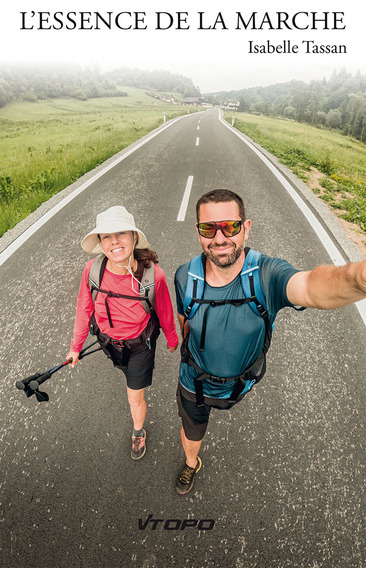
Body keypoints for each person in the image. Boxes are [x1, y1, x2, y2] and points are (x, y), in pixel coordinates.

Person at [174, 189, 366, 494]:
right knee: (191, 431)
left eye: (231, 227)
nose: (220, 238)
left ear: (246, 227)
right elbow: (186, 322)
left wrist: (358, 278)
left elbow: (311, 287)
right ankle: (190, 463)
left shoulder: (267, 275)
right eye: (209, 228)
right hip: (192, 381)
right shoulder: (185, 276)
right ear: (198, 231)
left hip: (240, 383)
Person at [67, 205, 178, 460]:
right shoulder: (92, 271)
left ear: (134, 237)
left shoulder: (153, 275)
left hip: (140, 347)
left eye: (121, 234)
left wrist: (172, 340)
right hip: (108, 343)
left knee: (133, 396)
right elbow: (84, 308)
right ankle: (126, 371)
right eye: (106, 236)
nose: (114, 241)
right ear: (100, 242)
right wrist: (75, 347)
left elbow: (165, 311)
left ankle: (138, 431)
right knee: (124, 372)